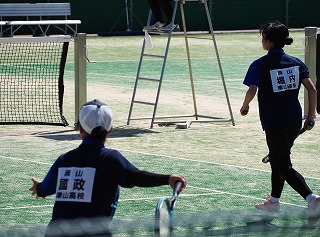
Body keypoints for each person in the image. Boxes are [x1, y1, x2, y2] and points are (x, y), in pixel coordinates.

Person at [29, 99, 187, 236]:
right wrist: (167, 179)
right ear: (110, 129)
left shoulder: (64, 159)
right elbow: (135, 177)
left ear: (80, 128)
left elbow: (44, 189)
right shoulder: (110, 159)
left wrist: (38, 188)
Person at [240, 21, 319, 226]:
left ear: (269, 41)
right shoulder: (296, 62)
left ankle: (312, 199)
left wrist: (245, 105)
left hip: (274, 122)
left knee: (283, 164)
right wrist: (311, 117)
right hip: (294, 120)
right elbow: (312, 90)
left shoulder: (260, 64)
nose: (262, 41)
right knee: (277, 160)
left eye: (263, 37)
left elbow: (252, 89)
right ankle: (274, 202)